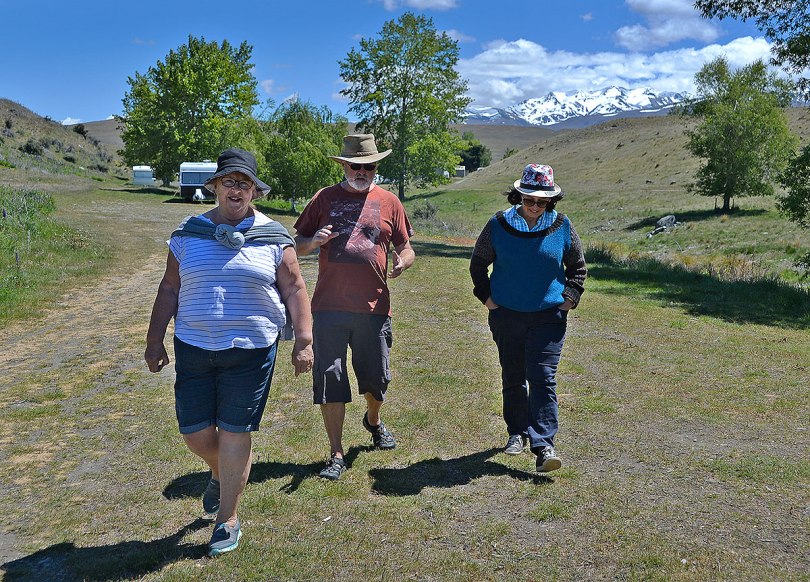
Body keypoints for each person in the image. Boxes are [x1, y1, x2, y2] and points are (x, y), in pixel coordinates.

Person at [144, 148, 314, 556]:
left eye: (244, 183)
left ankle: (228, 518)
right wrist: (154, 339)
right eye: (229, 182)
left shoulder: (274, 237)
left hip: (251, 350)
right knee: (195, 432)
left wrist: (305, 340)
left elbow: (294, 287)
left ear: (254, 191)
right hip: (194, 346)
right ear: (215, 187)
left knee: (236, 431)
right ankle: (222, 474)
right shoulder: (188, 233)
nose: (236, 189)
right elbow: (170, 287)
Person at [293, 134, 415, 480]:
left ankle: (373, 420)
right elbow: (296, 244)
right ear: (344, 166)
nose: (362, 172)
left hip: (374, 307)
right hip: (329, 307)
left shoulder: (390, 201)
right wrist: (313, 241)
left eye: (369, 166)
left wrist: (403, 262)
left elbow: (406, 247)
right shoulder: (324, 198)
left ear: (376, 168)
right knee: (330, 378)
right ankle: (336, 452)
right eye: (355, 166)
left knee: (377, 379)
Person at [469, 163, 586, 473]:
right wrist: (488, 300)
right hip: (506, 316)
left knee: (543, 377)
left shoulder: (562, 225)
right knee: (513, 375)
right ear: (518, 196)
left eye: (541, 202)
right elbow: (478, 265)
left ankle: (544, 445)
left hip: (549, 317)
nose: (534, 206)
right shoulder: (497, 225)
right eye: (529, 200)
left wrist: (568, 301)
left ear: (551, 201)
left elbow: (578, 268)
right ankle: (516, 433)